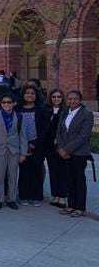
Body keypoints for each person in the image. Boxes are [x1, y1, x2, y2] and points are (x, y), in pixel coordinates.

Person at [0, 93, 27, 210]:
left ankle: (11, 199)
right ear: (0, 104)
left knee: (12, 176)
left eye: (9, 102)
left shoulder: (19, 117)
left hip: (14, 150)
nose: (6, 104)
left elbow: (23, 136)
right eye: (4, 102)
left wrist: (23, 152)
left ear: (14, 103)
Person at [56, 90, 93, 218]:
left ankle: (80, 207)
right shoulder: (65, 112)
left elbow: (84, 136)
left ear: (80, 100)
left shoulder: (87, 114)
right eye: (70, 99)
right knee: (69, 180)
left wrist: (67, 150)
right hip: (64, 152)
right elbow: (59, 132)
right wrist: (60, 148)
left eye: (75, 99)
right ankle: (71, 205)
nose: (72, 101)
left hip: (79, 153)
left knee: (79, 180)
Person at [16, 84, 49, 207]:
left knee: (36, 171)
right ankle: (24, 195)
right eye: (27, 93)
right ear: (23, 95)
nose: (30, 95)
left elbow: (45, 128)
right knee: (24, 171)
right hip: (21, 145)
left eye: (32, 93)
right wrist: (24, 144)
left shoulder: (41, 109)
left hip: (37, 145)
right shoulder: (18, 109)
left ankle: (36, 196)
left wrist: (35, 143)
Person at [44, 89, 67, 208]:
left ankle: (62, 196)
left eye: (59, 97)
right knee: (53, 170)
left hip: (61, 144)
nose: (56, 99)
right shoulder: (46, 110)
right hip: (48, 145)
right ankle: (55, 195)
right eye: (54, 96)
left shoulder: (66, 111)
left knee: (62, 171)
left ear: (62, 98)